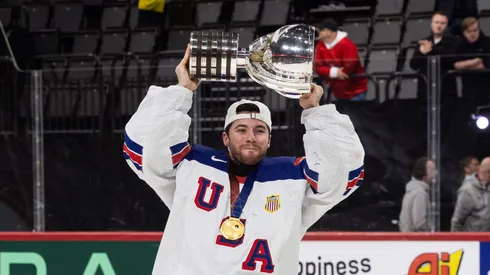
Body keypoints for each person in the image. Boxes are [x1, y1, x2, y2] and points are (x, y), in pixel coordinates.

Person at [123, 45, 365, 274]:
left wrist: (314, 111)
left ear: (269, 140)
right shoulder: (191, 166)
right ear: (225, 138)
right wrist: (182, 91)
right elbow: (145, 149)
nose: (251, 137)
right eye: (241, 130)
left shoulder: (293, 178)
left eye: (260, 131)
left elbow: (341, 174)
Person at [409, 11, 458, 101]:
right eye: (436, 22)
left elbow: (453, 62)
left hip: (446, 88)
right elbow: (413, 65)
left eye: (442, 23)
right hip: (426, 88)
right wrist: (421, 53)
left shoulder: (453, 42)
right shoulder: (424, 42)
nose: (439, 26)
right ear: (431, 24)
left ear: (446, 25)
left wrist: (433, 48)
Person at [314, 18, 368, 101]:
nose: (319, 33)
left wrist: (341, 72)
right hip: (338, 92)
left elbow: (349, 66)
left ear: (328, 32)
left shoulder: (347, 44)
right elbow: (318, 66)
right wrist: (335, 72)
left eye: (321, 30)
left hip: (356, 90)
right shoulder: (320, 46)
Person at [451, 157, 490, 232]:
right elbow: (457, 220)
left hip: (487, 239)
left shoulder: (488, 186)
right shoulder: (467, 190)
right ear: (488, 172)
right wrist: (455, 242)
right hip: (472, 240)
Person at [398, 157, 437, 232]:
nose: (435, 172)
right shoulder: (420, 193)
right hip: (417, 241)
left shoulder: (413, 190)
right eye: (432, 169)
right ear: (423, 172)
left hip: (409, 239)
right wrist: (430, 230)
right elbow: (419, 223)